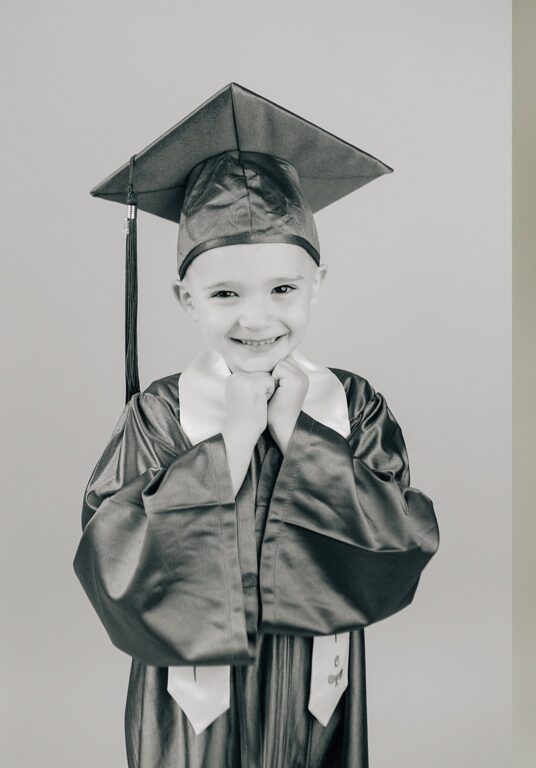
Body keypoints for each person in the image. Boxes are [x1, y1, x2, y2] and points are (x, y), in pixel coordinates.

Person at [74, 83, 439, 768]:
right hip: (192, 691)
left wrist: (303, 438)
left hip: (312, 678)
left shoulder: (352, 404)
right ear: (184, 297)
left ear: (318, 282)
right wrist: (231, 447)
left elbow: (398, 542)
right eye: (223, 294)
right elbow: (113, 559)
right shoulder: (161, 412)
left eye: (282, 289)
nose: (256, 318)